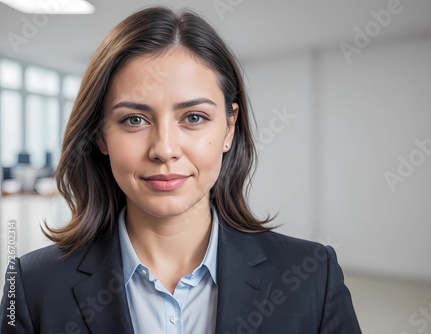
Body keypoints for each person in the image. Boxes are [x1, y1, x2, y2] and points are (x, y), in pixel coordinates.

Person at [1, 6, 361, 334]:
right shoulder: (32, 286)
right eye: (135, 119)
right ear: (100, 136)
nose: (165, 150)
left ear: (229, 128)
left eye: (193, 117)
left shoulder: (314, 276)